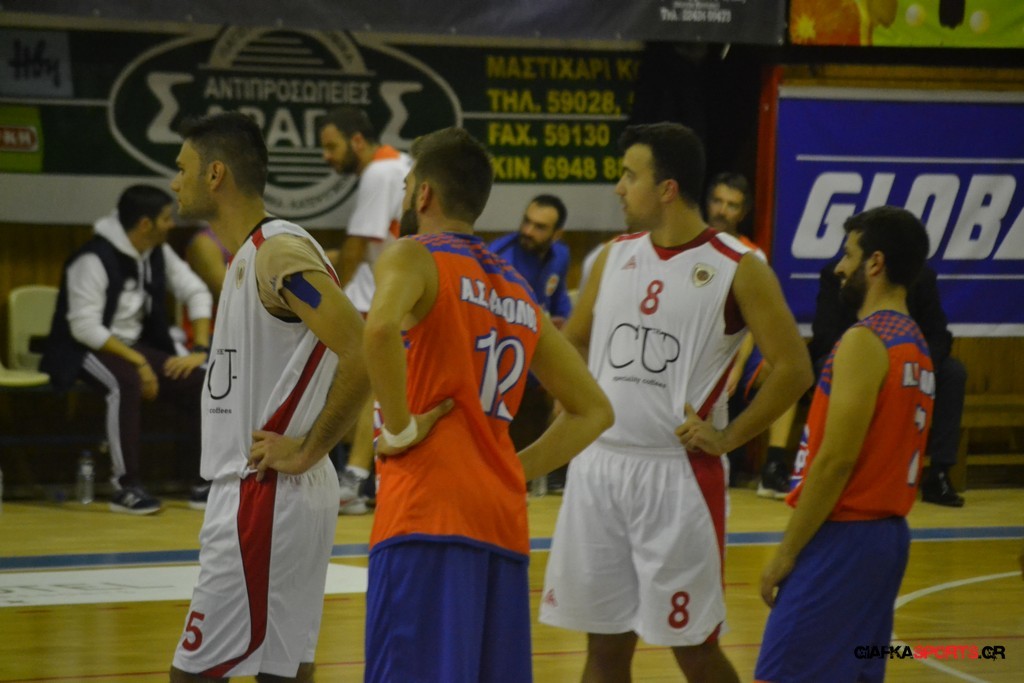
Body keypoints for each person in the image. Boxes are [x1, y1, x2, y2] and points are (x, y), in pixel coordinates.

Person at [540, 123, 813, 682]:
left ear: (667, 188)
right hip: (599, 470)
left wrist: (729, 437)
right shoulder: (613, 256)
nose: (619, 188)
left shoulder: (740, 266)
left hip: (677, 477)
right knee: (603, 648)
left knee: (693, 650)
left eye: (629, 175)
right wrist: (566, 406)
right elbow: (576, 343)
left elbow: (794, 369)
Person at [362, 127, 612, 683]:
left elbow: (377, 330)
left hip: (425, 515)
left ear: (424, 194)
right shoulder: (518, 287)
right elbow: (595, 410)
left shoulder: (413, 255)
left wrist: (399, 429)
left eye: (406, 186)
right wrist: (509, 470)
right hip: (499, 521)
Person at [169, 111, 369, 682]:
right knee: (283, 673)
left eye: (182, 168)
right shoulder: (251, 255)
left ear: (215, 175)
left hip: (265, 495)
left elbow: (362, 349)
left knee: (192, 674)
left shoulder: (278, 252)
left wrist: (308, 448)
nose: (174, 182)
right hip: (274, 494)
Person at [756, 206, 935, 683]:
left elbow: (835, 461)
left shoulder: (865, 341)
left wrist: (785, 553)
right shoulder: (915, 342)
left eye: (848, 254)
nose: (839, 266)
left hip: (844, 536)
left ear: (875, 263)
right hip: (887, 537)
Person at [41, 185, 213, 515]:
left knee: (202, 382)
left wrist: (200, 349)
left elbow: (196, 292)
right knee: (126, 383)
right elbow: (84, 328)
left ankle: (204, 482)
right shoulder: (92, 259)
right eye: (166, 218)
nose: (172, 225)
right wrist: (139, 363)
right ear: (145, 224)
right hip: (82, 349)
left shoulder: (158, 253)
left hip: (135, 347)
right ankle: (126, 487)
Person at [810, 259, 966, 507]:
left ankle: (939, 473)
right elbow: (824, 335)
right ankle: (835, 464)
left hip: (908, 359)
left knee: (953, 373)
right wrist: (870, 357)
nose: (841, 265)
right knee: (823, 366)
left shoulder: (920, 276)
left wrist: (918, 361)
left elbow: (939, 335)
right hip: (856, 358)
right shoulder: (836, 275)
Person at [318, 105, 412, 514]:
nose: (327, 156)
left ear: (357, 141)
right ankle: (360, 475)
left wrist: (327, 297)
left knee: (367, 379)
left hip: (388, 295)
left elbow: (357, 245)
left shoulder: (379, 172)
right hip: (399, 290)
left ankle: (354, 478)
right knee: (372, 382)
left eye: (331, 146)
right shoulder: (400, 164)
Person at [490, 195, 573, 489]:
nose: (527, 231)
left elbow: (559, 301)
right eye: (527, 221)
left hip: (538, 357)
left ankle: (549, 476)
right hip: (503, 363)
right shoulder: (497, 259)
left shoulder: (561, 255)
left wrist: (565, 325)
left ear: (556, 234)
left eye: (539, 227)